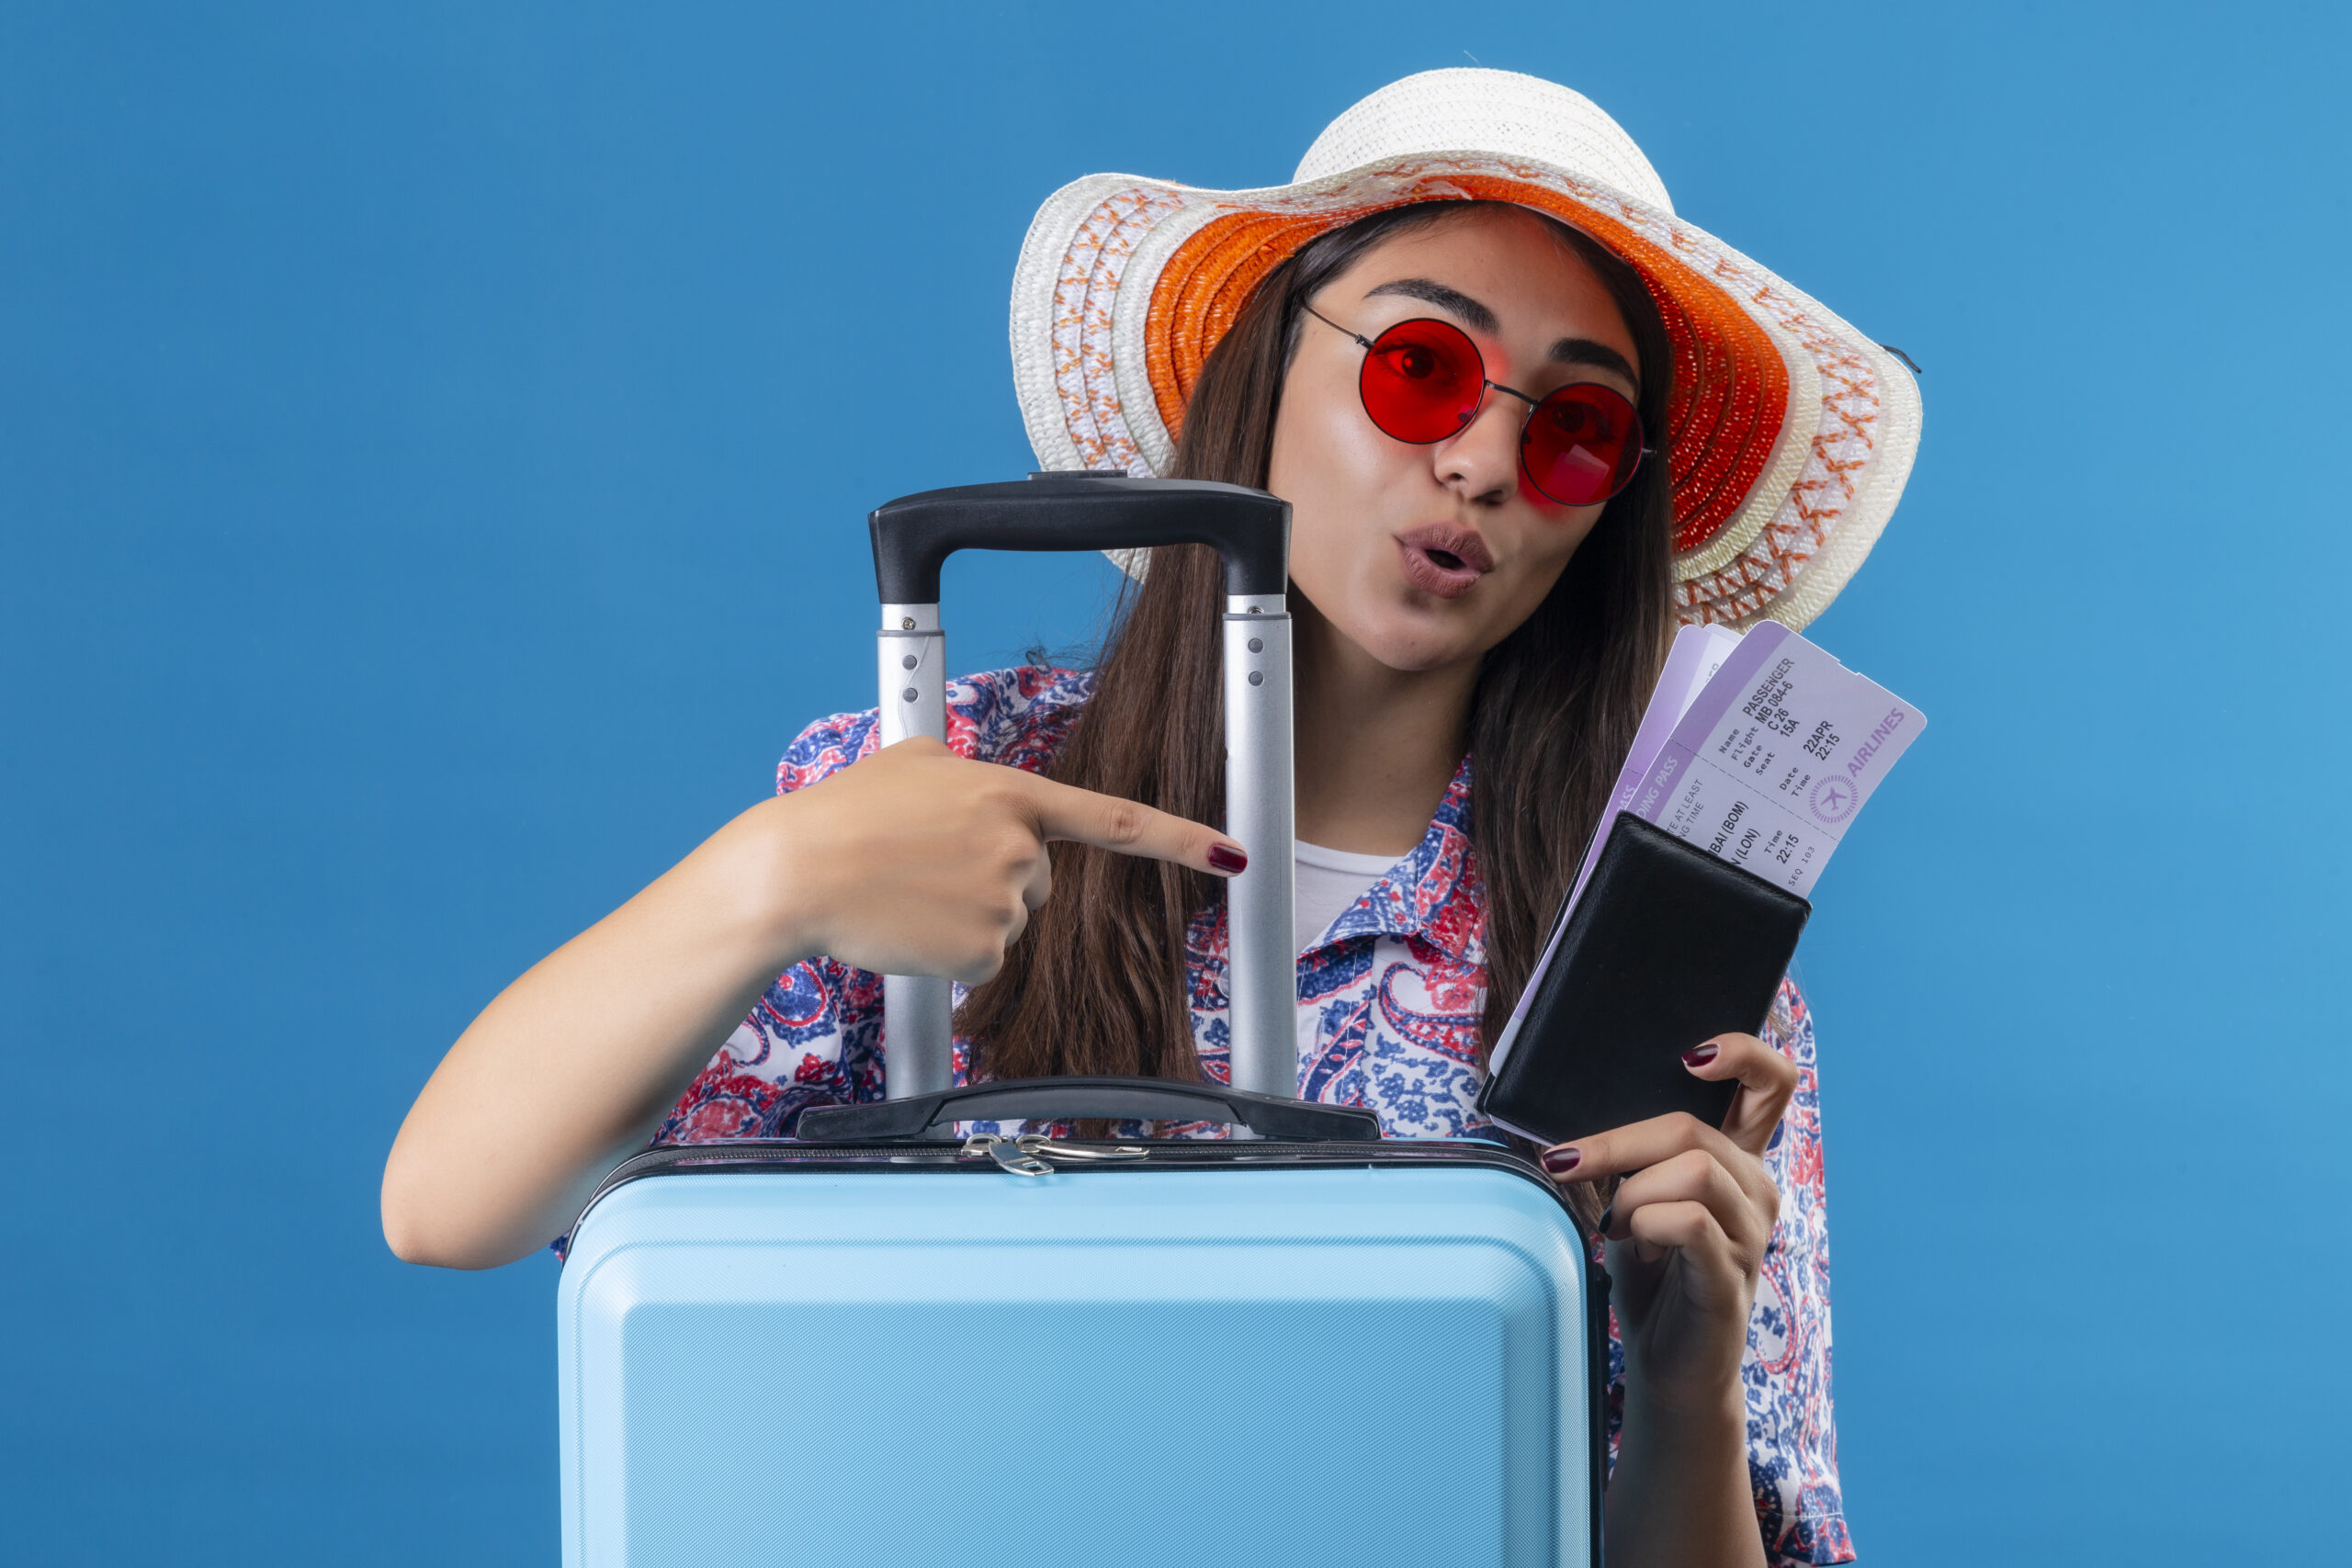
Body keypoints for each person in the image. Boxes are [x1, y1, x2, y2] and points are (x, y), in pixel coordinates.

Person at [382, 70, 1918, 1568]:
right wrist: (769, 876)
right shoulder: (945, 783)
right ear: (1259, 375)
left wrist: (1687, 1384)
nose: (1482, 462)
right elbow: (451, 1205)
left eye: (1577, 427)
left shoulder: (1668, 988)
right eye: (1422, 371)